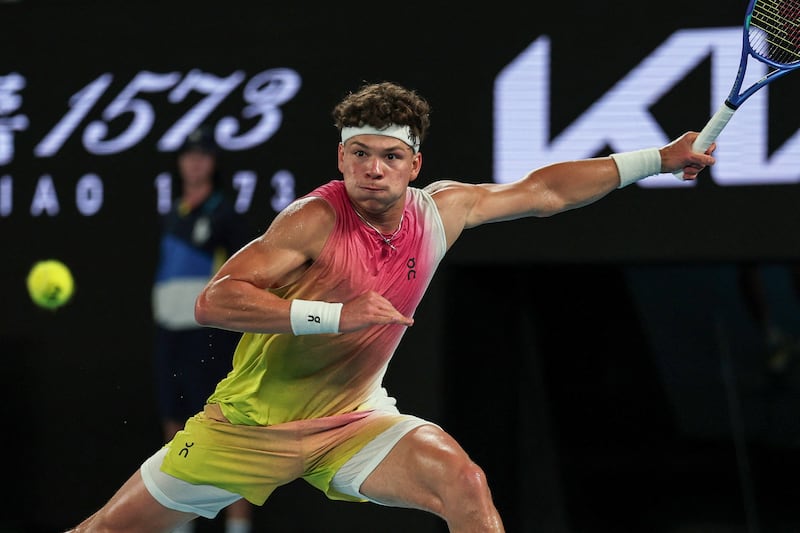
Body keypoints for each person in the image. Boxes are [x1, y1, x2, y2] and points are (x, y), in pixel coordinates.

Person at [68, 81, 715, 533]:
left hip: (353, 422)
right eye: (360, 153)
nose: (373, 169)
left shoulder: (441, 211)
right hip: (247, 428)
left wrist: (657, 158)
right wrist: (332, 315)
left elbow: (544, 190)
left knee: (464, 482)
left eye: (390, 156)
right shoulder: (311, 220)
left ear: (414, 164)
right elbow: (216, 301)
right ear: (341, 157)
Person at [150, 126, 254, 533]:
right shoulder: (173, 211)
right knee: (174, 428)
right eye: (188, 156)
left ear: (212, 164)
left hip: (207, 337)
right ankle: (179, 522)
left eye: (202, 156)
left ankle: (238, 525)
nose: (194, 163)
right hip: (169, 335)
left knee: (224, 430)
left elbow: (244, 276)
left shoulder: (224, 213)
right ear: (180, 163)